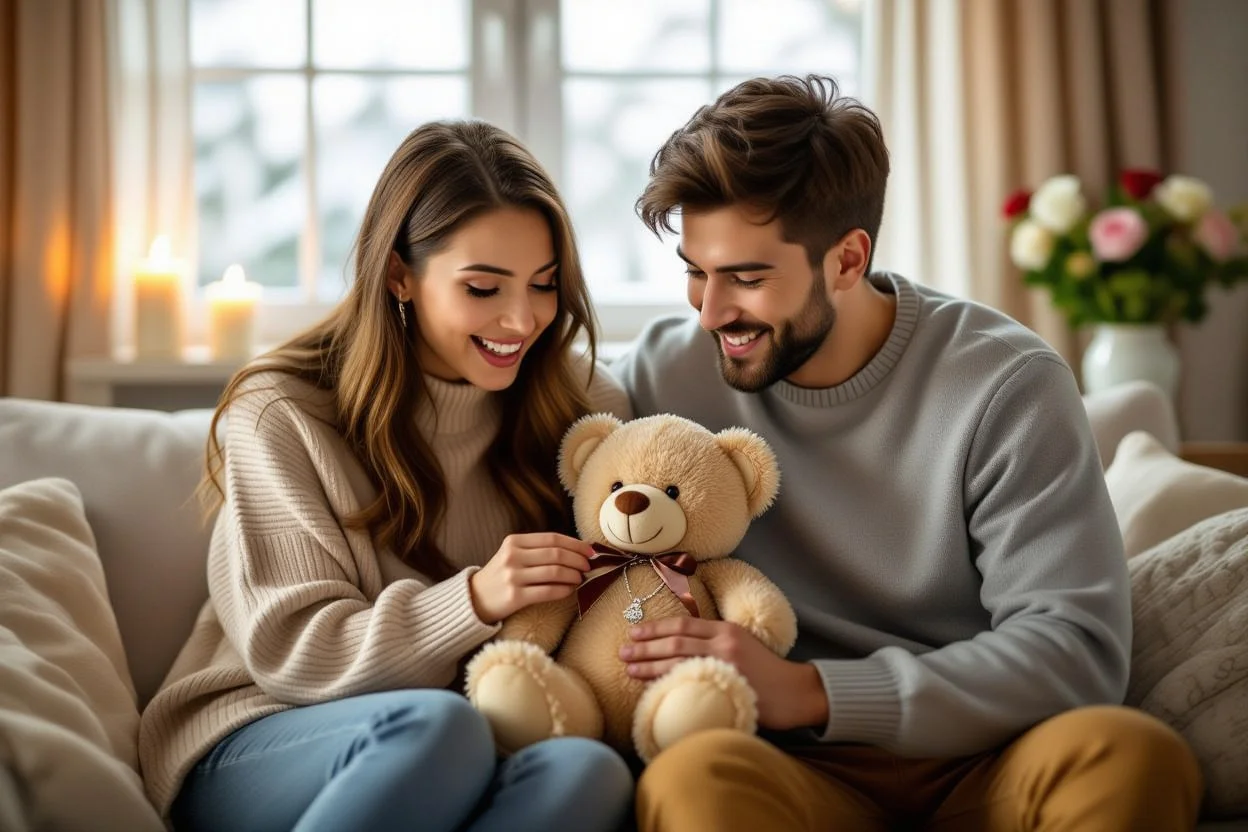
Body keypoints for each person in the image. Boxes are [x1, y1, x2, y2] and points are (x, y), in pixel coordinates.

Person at [610, 75, 1204, 831]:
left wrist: (814, 691)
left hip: (988, 757)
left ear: (848, 260)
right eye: (695, 272)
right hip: (792, 771)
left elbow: (1073, 650)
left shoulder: (1005, 381)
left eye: (747, 278)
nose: (711, 310)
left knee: (1133, 755)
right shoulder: (666, 371)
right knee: (692, 779)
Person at [138, 120, 635, 832]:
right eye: (483, 287)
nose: (521, 319)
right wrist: (475, 599)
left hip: (470, 735)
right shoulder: (284, 413)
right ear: (400, 274)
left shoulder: (586, 412)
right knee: (435, 729)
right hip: (260, 733)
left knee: (588, 770)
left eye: (544, 285)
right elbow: (292, 654)